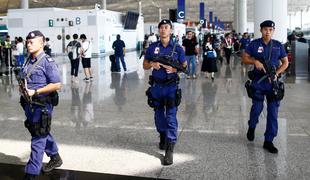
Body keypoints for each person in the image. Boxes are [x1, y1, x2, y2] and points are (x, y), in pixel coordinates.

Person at [143, 19, 187, 165]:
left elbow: (185, 66)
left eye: (166, 27)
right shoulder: (152, 47)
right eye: (161, 27)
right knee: (158, 116)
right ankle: (162, 134)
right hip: (156, 87)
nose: (163, 30)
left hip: (171, 87)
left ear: (171, 30)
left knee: (171, 117)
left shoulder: (178, 48)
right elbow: (144, 65)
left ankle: (170, 147)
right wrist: (152, 64)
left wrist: (175, 69)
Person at [21, 30, 63, 180]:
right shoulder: (28, 60)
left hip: (42, 105)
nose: (28, 44)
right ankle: (55, 157)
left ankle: (31, 173)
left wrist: (36, 91)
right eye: (27, 42)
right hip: (29, 105)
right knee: (41, 132)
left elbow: (57, 84)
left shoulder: (47, 62)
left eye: (32, 42)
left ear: (42, 43)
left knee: (38, 139)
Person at [242, 20, 288, 154]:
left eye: (270, 30)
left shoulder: (278, 46)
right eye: (265, 29)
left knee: (273, 112)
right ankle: (252, 126)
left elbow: (285, 63)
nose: (267, 32)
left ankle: (269, 140)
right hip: (258, 82)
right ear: (261, 30)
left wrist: (276, 74)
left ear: (273, 31)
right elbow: (244, 58)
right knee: (257, 108)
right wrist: (254, 61)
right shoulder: (254, 44)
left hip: (273, 83)